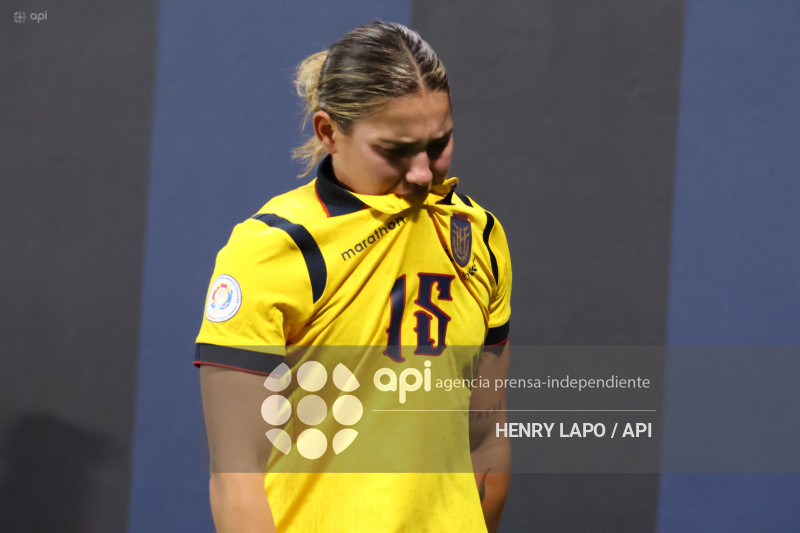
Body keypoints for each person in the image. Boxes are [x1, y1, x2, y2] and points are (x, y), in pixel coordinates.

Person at [195, 21, 512, 532]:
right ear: (328, 132)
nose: (422, 173)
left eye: (439, 143)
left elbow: (486, 436)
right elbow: (237, 477)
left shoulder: (477, 236)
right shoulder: (275, 248)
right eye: (394, 150)